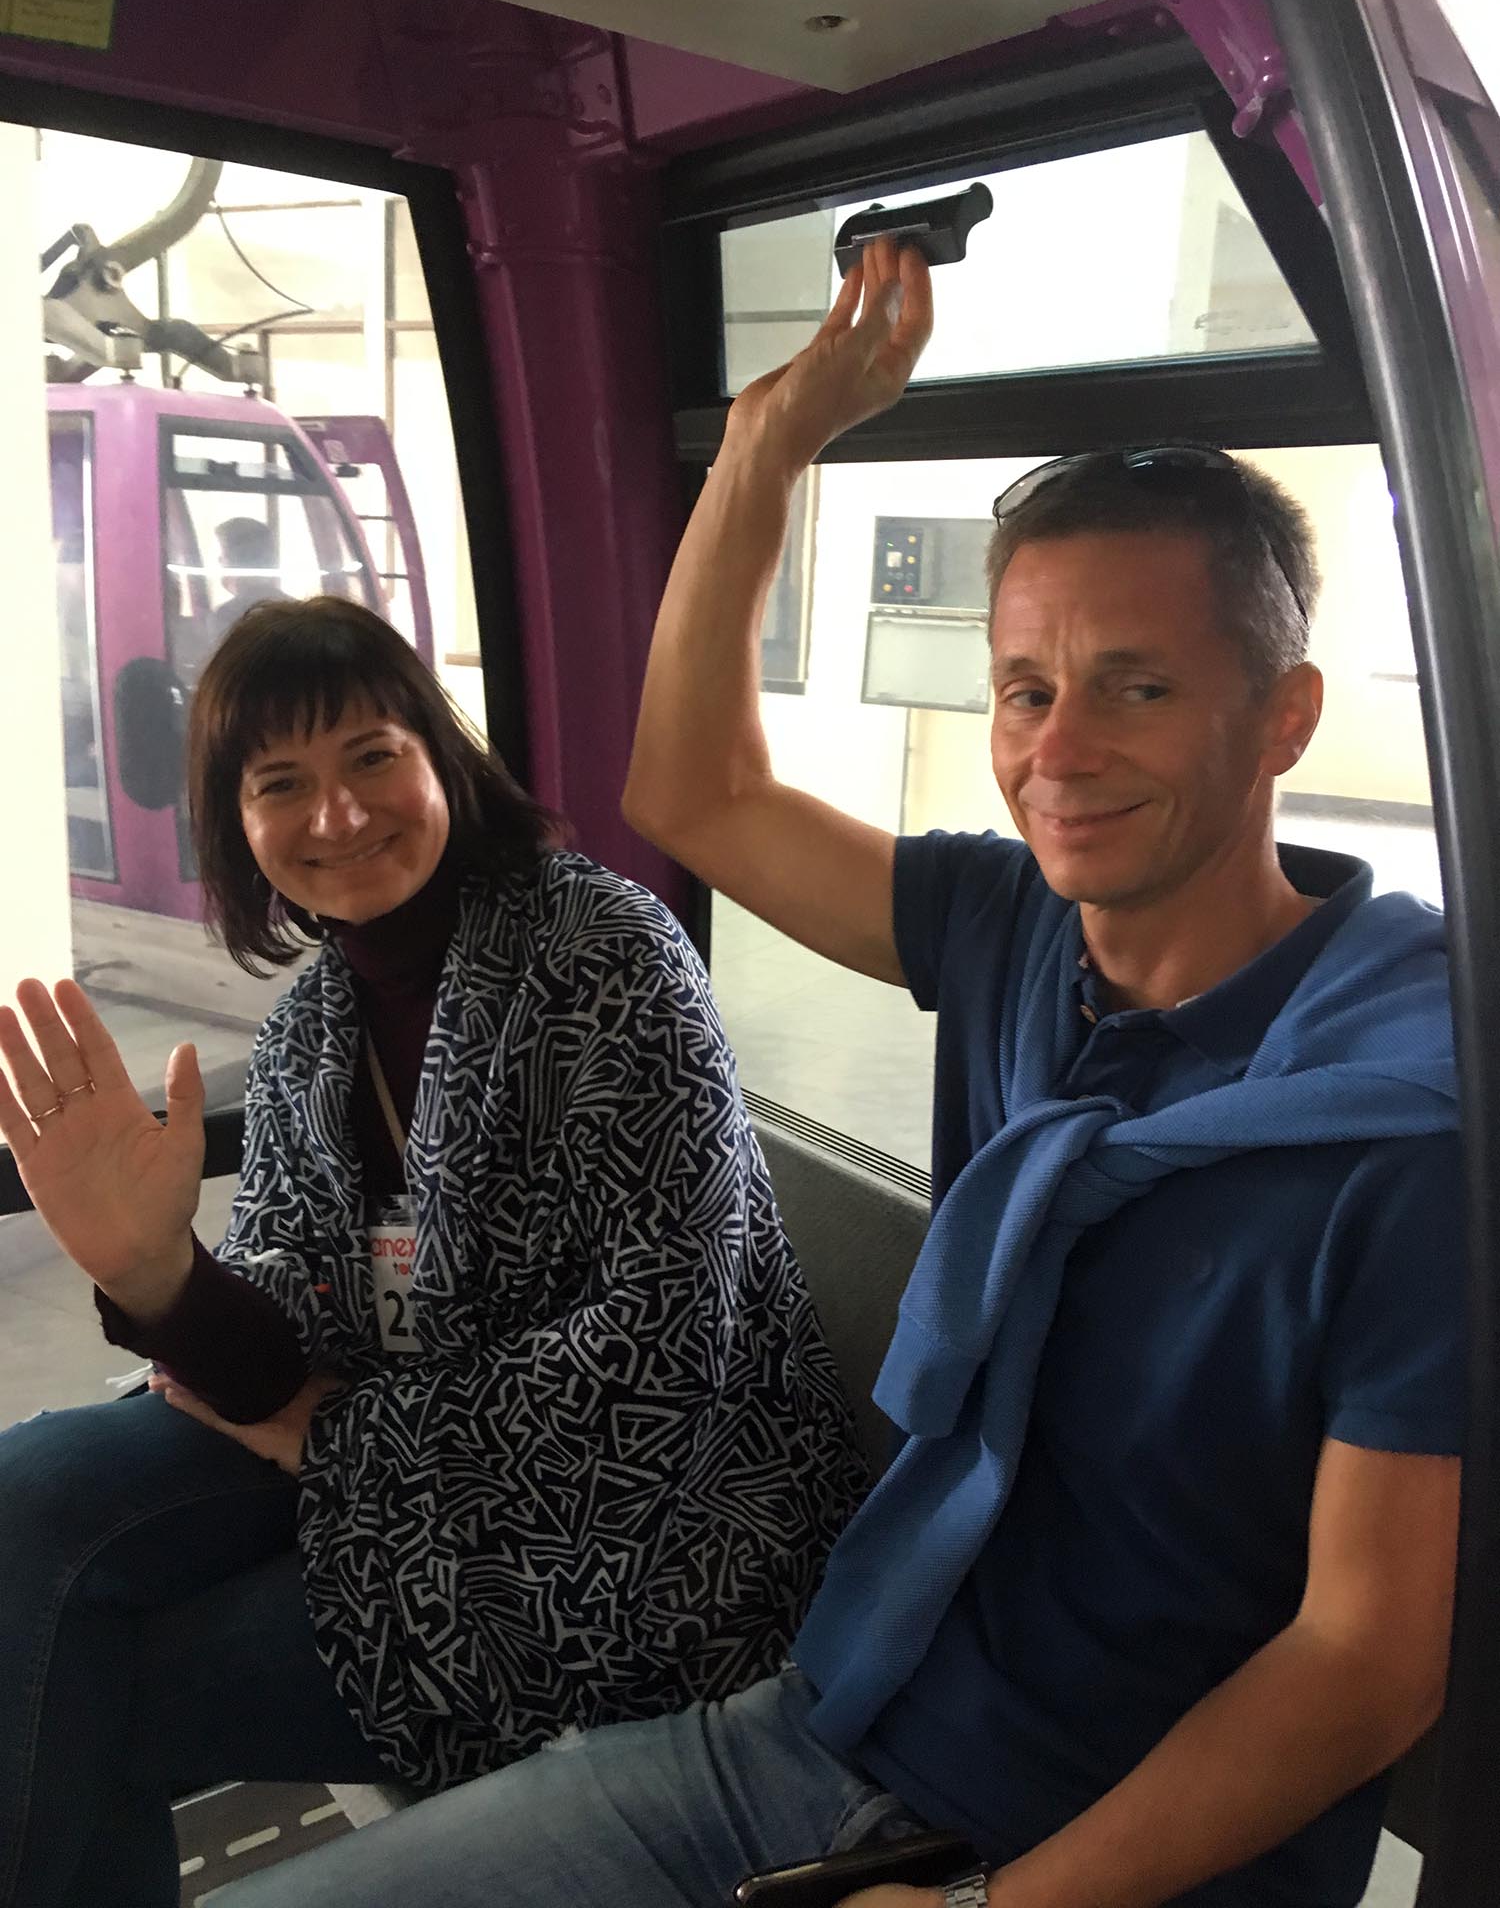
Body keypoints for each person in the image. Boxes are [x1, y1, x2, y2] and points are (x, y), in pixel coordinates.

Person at [215, 239, 1465, 1908]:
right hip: (844, 1712)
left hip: (1104, 1849)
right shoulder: (1013, 930)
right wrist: (771, 440)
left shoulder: (1407, 1128)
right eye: (1025, 689)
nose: (1058, 750)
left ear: (1287, 717)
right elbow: (695, 790)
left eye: (1139, 688)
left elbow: (1367, 1662)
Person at [0, 597, 867, 1908]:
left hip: (648, 1550)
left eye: (372, 756)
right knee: (27, 1500)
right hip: (415, 1485)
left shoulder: (609, 955)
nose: (338, 813)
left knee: (95, 1690)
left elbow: (665, 1350)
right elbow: (292, 1318)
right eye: (281, 783)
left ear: (442, 758)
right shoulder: (309, 1031)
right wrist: (153, 1273)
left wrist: (332, 1434)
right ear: (237, 825)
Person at [212, 514, 286, 637]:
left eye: (223, 554)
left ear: (236, 560)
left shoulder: (227, 614)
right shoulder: (296, 609)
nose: (219, 561)